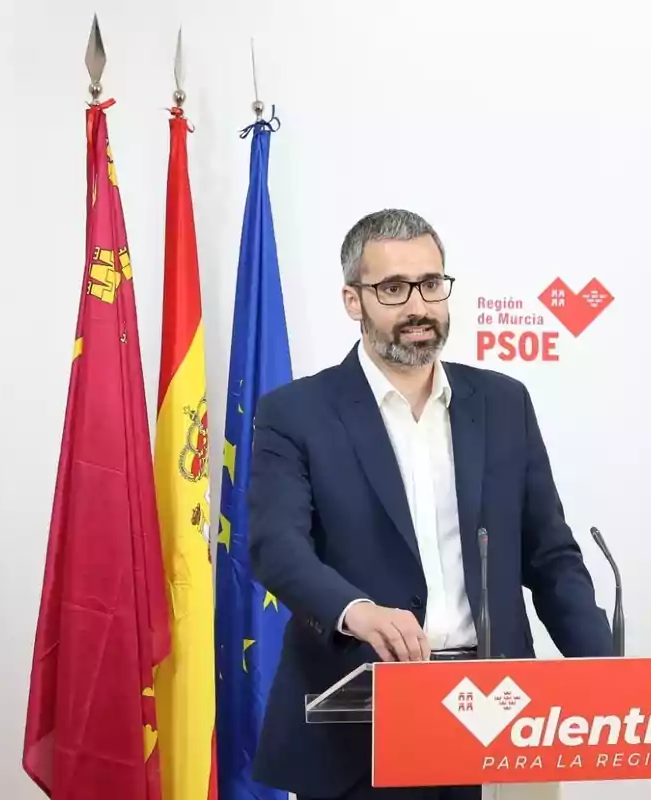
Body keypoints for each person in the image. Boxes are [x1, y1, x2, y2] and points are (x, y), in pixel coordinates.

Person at [246, 209, 613, 800]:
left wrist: (607, 676)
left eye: (432, 284)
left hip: (501, 722)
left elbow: (550, 556)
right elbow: (277, 548)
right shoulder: (297, 413)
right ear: (352, 299)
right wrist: (357, 610)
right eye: (392, 289)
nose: (418, 305)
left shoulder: (502, 402)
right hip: (359, 726)